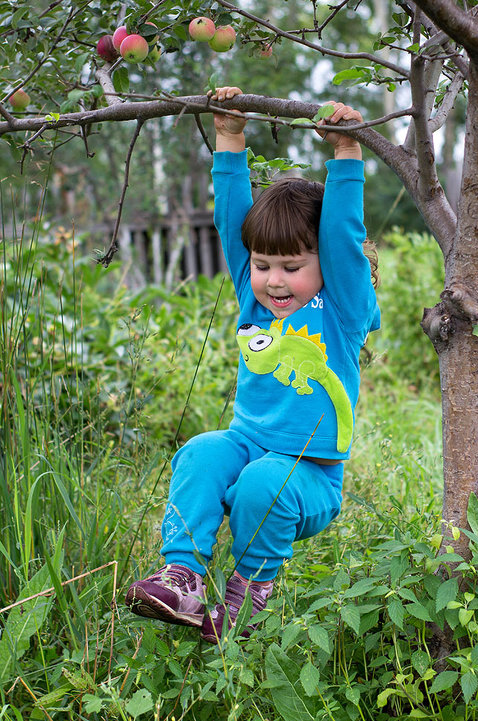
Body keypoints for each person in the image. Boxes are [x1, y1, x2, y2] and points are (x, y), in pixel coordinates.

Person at [125, 86, 380, 643]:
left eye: (290, 266)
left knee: (262, 483)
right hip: (248, 444)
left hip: (309, 475)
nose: (273, 280)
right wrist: (230, 136)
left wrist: (346, 156)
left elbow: (342, 235)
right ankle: (184, 579)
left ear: (322, 266)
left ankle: (247, 598)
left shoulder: (340, 306)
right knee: (200, 451)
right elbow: (231, 220)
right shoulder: (254, 298)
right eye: (263, 265)